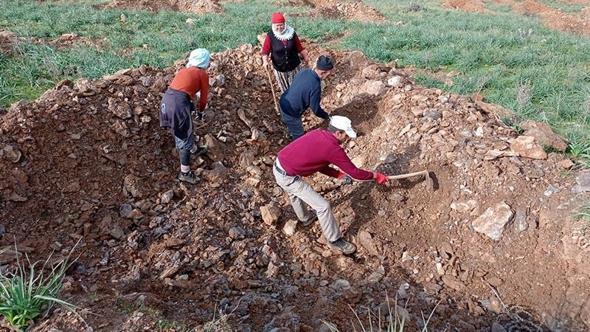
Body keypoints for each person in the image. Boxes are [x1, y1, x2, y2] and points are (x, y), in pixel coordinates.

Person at [273, 116, 389, 255]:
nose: (347, 138)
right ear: (338, 133)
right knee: (323, 206)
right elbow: (355, 173)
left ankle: (305, 219)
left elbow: (317, 162)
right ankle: (334, 240)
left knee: (294, 194)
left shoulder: (317, 133)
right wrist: (375, 176)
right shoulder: (333, 148)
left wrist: (339, 175)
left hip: (279, 164)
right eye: (346, 135)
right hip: (288, 176)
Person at [159, 48, 210, 184]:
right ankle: (185, 173)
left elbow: (182, 90)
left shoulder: (183, 71)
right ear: (205, 61)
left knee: (184, 129)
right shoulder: (202, 74)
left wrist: (192, 107)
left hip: (167, 101)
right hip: (178, 106)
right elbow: (203, 98)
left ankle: (194, 149)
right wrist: (200, 111)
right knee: (184, 137)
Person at [279, 55, 333, 140]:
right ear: (323, 72)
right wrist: (326, 116)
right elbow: (316, 110)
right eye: (329, 73)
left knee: (289, 123)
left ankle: (290, 132)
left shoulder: (304, 71)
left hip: (283, 101)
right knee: (299, 137)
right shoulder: (315, 86)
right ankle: (296, 145)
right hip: (291, 112)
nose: (329, 75)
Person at [261, 12, 309, 93]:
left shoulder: (291, 33)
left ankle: (298, 103)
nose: (280, 27)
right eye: (277, 25)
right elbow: (265, 51)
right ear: (273, 25)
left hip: (294, 67)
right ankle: (288, 104)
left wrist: (306, 57)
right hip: (280, 69)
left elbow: (299, 47)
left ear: (284, 24)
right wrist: (265, 61)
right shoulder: (271, 36)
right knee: (285, 90)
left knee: (297, 88)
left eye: (281, 25)